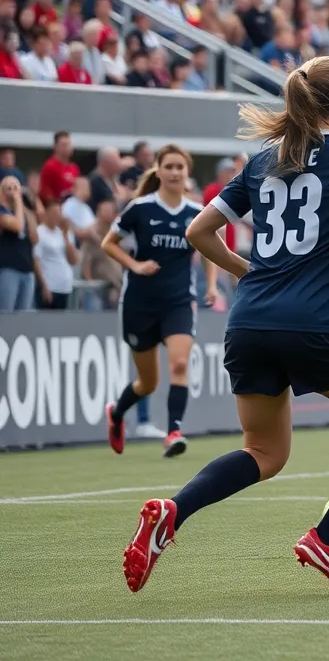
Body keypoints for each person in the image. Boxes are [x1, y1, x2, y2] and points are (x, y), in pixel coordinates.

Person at [119, 56, 329, 596]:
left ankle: (174, 511)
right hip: (311, 323)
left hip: (249, 321)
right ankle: (328, 540)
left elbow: (199, 231)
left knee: (264, 452)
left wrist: (251, 273)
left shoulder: (264, 159)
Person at [102, 145, 217, 458]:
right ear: (159, 170)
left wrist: (210, 285)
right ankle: (117, 413)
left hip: (179, 302)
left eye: (181, 166)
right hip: (140, 304)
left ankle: (173, 432)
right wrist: (136, 265)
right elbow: (108, 243)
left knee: (179, 364)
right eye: (170, 166)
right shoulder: (140, 208)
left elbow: (210, 250)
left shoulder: (197, 213)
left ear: (187, 171)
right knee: (148, 382)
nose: (176, 172)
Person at [0, 175, 38, 312]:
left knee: (23, 318)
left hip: (27, 270)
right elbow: (17, 226)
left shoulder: (22, 211)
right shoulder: (1, 211)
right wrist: (17, 202)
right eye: (8, 187)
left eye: (15, 187)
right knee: (6, 313)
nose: (12, 190)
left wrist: (22, 205)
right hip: (8, 269)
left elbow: (35, 238)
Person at [33, 198, 79, 310]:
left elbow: (73, 260)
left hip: (64, 286)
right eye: (54, 213)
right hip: (49, 285)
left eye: (59, 213)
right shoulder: (40, 232)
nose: (57, 216)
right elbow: (36, 260)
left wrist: (66, 236)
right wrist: (43, 285)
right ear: (47, 213)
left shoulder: (65, 233)